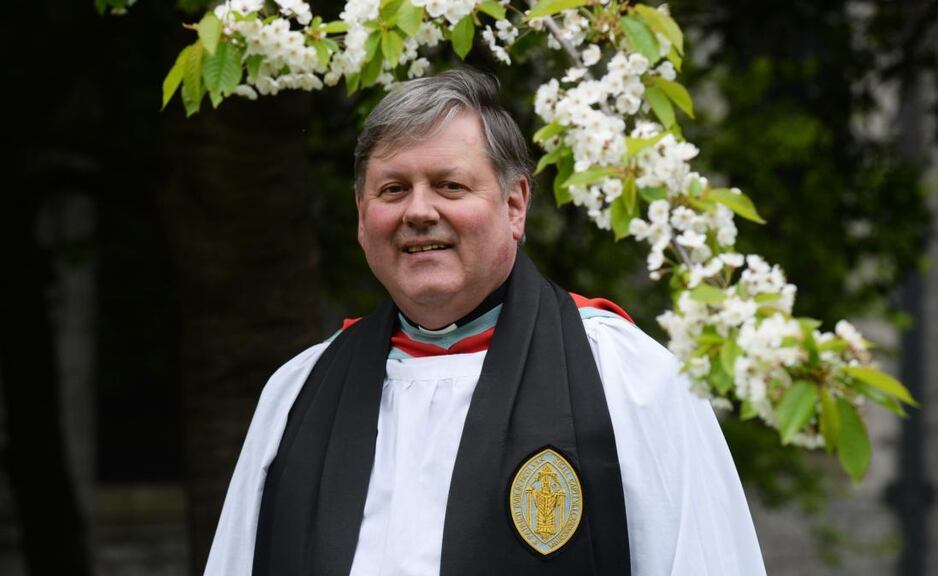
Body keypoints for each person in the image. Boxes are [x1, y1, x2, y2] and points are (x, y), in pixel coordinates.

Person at [205, 67, 766, 576]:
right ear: (361, 217)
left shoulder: (627, 376)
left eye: (449, 185)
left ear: (515, 205)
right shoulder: (299, 392)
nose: (418, 211)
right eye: (393, 190)